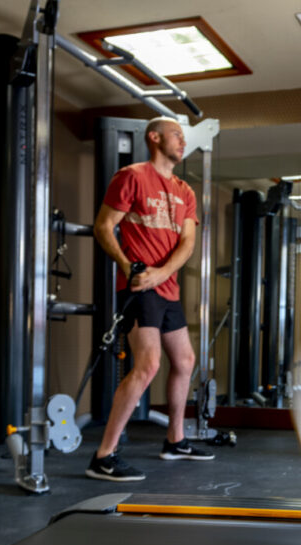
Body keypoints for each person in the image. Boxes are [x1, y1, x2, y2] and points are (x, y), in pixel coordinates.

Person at [86, 116, 214, 483]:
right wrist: (129, 267)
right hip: (141, 288)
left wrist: (164, 273)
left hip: (167, 288)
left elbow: (188, 242)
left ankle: (175, 440)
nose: (182, 141)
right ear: (154, 137)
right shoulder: (131, 176)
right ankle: (104, 455)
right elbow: (103, 226)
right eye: (177, 134)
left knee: (185, 360)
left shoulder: (185, 191)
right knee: (147, 366)